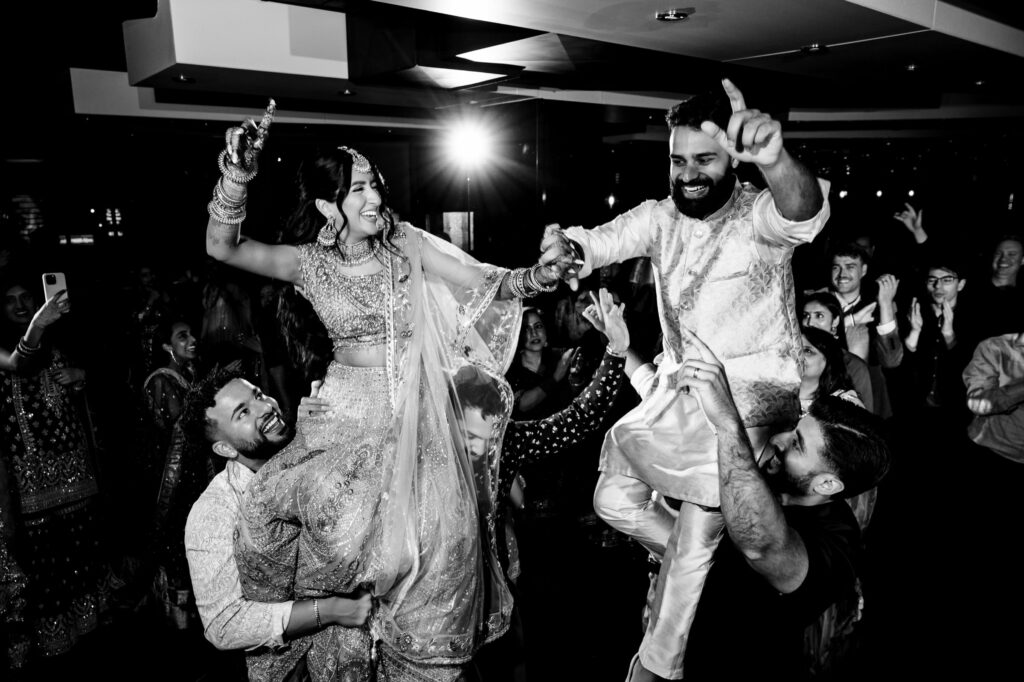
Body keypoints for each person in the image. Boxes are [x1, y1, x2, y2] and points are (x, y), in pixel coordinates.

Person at [204, 102, 562, 680]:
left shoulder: (408, 246)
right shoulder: (310, 265)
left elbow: (486, 281)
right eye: (359, 190)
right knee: (302, 522)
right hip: (344, 415)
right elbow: (223, 247)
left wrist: (539, 278)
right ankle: (324, 632)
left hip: (413, 412)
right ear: (328, 206)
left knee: (432, 551)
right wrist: (236, 177)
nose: (375, 199)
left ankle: (416, 662)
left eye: (375, 185)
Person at [541, 78, 830, 679]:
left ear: (733, 160)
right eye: (678, 160)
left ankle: (655, 669)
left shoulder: (758, 215)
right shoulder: (658, 217)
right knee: (611, 499)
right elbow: (597, 243)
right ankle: (694, 562)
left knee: (696, 538)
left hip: (748, 412)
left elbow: (802, 212)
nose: (689, 173)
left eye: (705, 159)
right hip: (679, 396)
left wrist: (775, 158)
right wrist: (567, 249)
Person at [653, 328, 891, 680]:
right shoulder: (770, 472)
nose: (779, 438)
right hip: (676, 641)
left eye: (797, 444)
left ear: (827, 483)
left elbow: (760, 546)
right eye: (795, 428)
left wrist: (727, 425)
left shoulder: (838, 545)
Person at [182, 370, 372, 676]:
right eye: (243, 413)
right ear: (225, 449)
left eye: (257, 395)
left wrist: (324, 427)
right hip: (291, 669)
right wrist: (333, 610)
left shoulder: (302, 442)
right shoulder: (214, 511)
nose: (265, 407)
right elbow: (224, 625)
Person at [0, 279, 110, 670]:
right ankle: (54, 642)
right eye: (9, 301)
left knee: (82, 549)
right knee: (46, 559)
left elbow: (102, 372)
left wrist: (82, 376)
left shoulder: (61, 337)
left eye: (25, 298)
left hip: (75, 469)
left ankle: (89, 626)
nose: (19, 306)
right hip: (31, 480)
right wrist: (38, 323)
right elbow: (18, 363)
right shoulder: (11, 342)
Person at [140, 319, 210, 631]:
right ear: (167, 346)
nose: (192, 339)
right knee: (176, 542)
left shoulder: (191, 375)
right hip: (173, 479)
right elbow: (171, 430)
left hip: (196, 474)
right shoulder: (161, 381)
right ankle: (177, 619)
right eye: (182, 336)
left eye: (191, 333)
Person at [800, 292, 874, 413]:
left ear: (835, 321)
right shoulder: (793, 359)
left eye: (819, 316)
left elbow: (865, 422)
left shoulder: (854, 366)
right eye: (805, 316)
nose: (809, 323)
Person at [505, 307, 575, 419]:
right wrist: (555, 377)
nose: (534, 333)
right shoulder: (511, 368)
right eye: (526, 329)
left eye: (538, 326)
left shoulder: (560, 357)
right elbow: (522, 405)